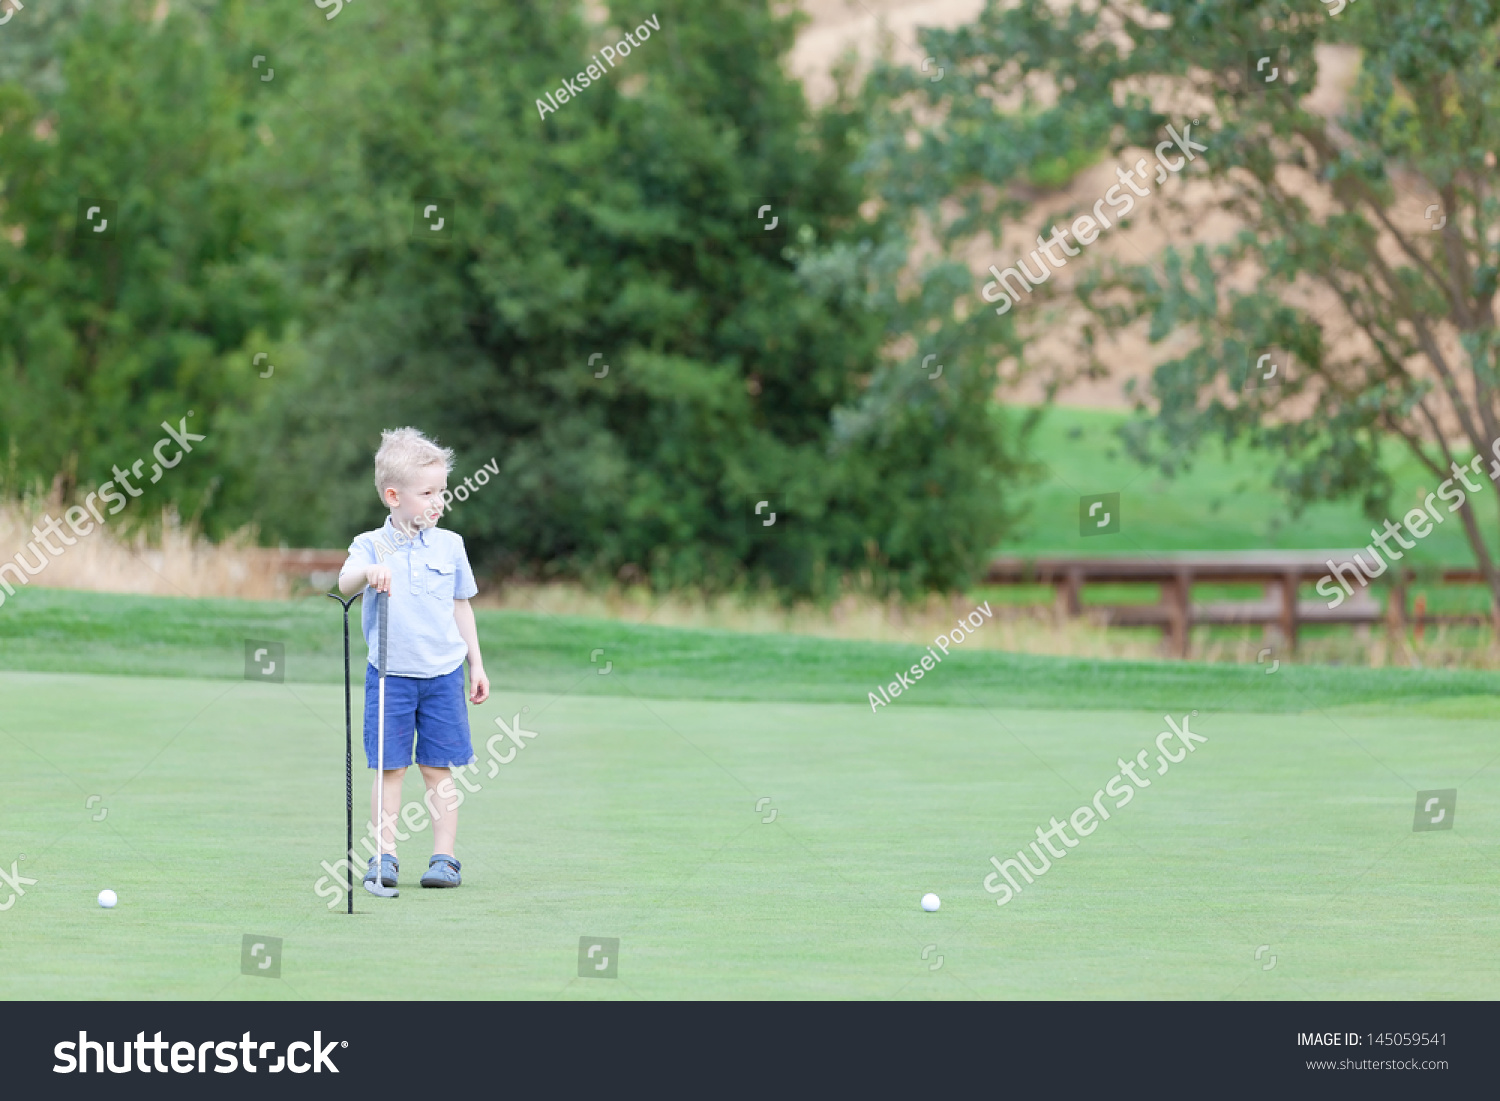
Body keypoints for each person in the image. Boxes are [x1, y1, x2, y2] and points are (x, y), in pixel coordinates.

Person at [337, 427, 489, 889]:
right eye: (427, 493)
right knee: (390, 769)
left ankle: (444, 859)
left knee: (438, 770)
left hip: (442, 675)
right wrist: (368, 571)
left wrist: (475, 664)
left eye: (441, 491)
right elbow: (344, 584)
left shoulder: (451, 545)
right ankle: (384, 857)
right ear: (393, 495)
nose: (438, 501)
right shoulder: (370, 545)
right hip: (390, 677)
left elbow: (461, 605)